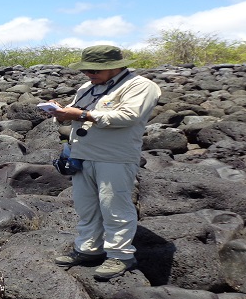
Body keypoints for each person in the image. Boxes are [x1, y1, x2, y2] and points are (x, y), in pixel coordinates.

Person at [43, 45, 161, 280]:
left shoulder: (141, 86)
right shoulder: (88, 87)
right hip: (82, 154)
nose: (89, 73)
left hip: (114, 157)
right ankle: (88, 249)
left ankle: (121, 255)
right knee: (86, 207)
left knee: (114, 206)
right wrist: (61, 112)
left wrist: (80, 115)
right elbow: (79, 113)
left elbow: (129, 116)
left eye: (95, 69)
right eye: (85, 69)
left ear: (115, 66)